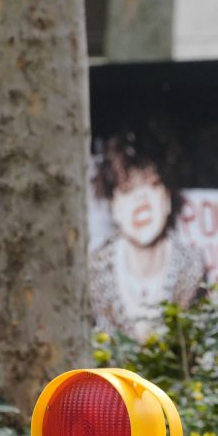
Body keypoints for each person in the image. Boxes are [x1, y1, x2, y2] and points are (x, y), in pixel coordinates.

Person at [89, 125, 205, 337]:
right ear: (113, 206)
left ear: (168, 198)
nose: (141, 200)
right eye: (127, 190)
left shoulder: (192, 270)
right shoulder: (93, 274)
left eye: (152, 186)